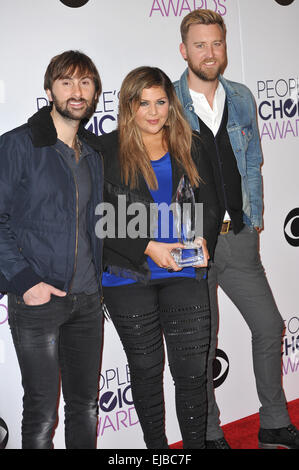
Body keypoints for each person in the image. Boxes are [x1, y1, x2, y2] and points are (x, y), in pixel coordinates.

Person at [174, 9, 299, 449]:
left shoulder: (242, 96)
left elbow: (251, 162)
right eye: (200, 44)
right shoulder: (166, 103)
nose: (210, 53)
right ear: (184, 49)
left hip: (239, 240)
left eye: (217, 43)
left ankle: (273, 422)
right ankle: (209, 436)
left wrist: (256, 219)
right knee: (203, 347)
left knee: (268, 326)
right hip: (194, 247)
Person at [98, 66, 221, 449]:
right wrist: (149, 247)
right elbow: (96, 214)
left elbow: (212, 202)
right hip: (128, 276)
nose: (153, 112)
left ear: (171, 103)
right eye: (143, 103)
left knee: (190, 375)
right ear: (128, 106)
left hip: (184, 273)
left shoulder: (193, 143)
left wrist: (204, 240)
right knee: (148, 372)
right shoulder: (105, 150)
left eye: (161, 102)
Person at [0, 50, 104, 449]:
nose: (77, 92)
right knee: (42, 414)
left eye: (85, 82)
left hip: (88, 300)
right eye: (66, 82)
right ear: (49, 91)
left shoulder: (93, 152)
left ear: (95, 91)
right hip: (38, 302)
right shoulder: (18, 146)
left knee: (86, 407)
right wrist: (27, 282)